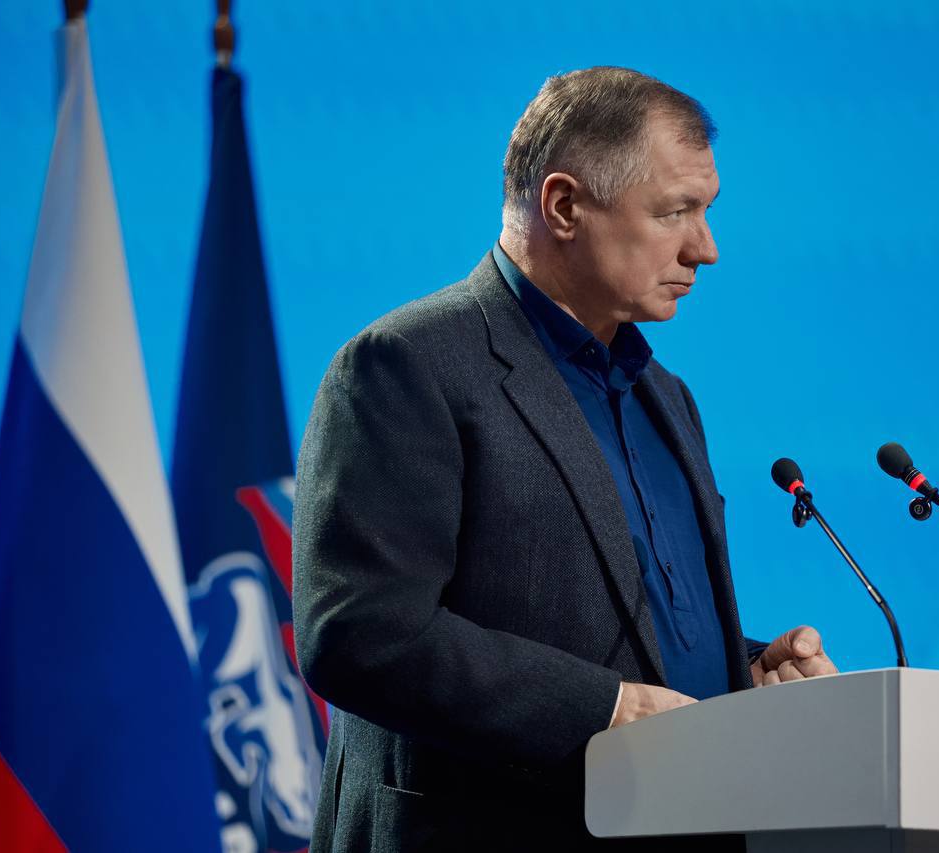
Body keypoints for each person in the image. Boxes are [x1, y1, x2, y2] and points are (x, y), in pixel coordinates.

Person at [292, 66, 838, 852]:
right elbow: (360, 632)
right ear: (563, 206)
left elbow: (617, 629)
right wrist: (604, 708)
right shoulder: (406, 365)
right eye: (675, 211)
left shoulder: (667, 396)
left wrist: (738, 674)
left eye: (707, 211)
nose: (706, 248)